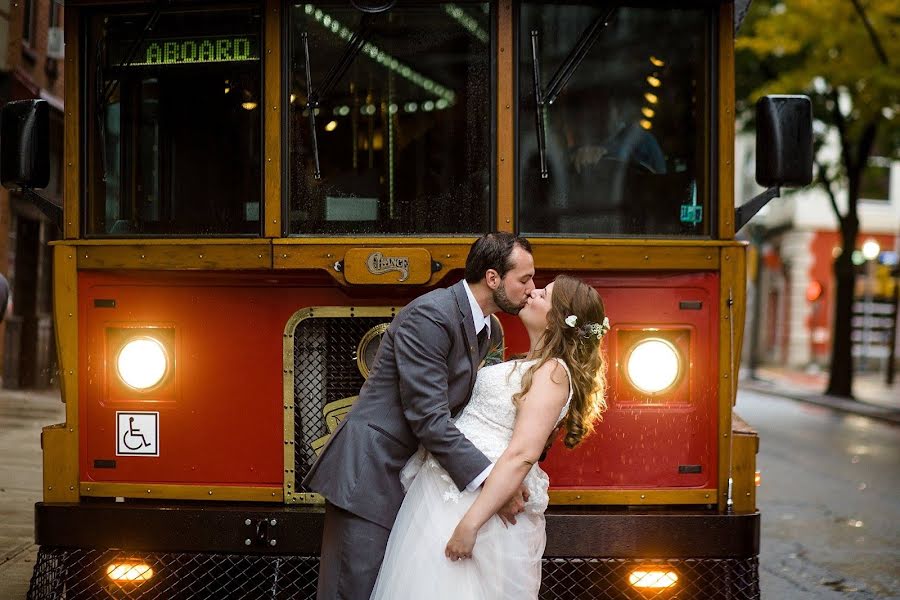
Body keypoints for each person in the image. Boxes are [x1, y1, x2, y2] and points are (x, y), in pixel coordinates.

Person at [303, 232, 536, 600]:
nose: (530, 289)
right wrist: (496, 484)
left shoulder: (488, 329)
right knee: (351, 591)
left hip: (411, 480)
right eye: (524, 279)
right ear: (493, 278)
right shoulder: (431, 315)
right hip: (370, 474)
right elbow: (429, 418)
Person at [370, 274, 609, 599]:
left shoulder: (553, 372)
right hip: (450, 492)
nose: (533, 292)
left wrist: (471, 524)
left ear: (559, 318)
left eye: (544, 293)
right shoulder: (532, 364)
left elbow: (523, 453)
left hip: (480, 510)